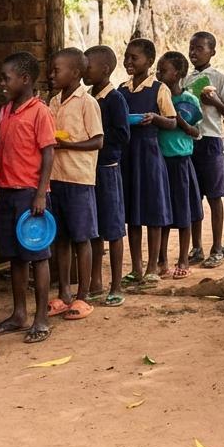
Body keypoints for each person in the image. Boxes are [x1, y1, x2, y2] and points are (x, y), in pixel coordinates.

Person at [0, 52, 58, 339]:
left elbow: (48, 153)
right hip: (7, 191)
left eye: (7, 78)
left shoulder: (39, 111)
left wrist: (41, 194)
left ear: (25, 79)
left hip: (30, 194)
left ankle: (41, 318)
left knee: (38, 257)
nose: (2, 83)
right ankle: (19, 314)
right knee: (16, 257)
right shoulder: (6, 110)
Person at [48, 48, 108, 307]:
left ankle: (83, 295)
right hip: (56, 177)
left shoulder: (87, 102)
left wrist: (67, 146)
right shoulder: (53, 102)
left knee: (81, 238)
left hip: (79, 179)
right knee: (61, 238)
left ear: (75, 73)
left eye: (56, 70)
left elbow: (98, 141)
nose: (51, 74)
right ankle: (64, 291)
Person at [119, 38, 176, 287]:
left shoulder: (159, 89)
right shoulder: (121, 90)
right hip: (128, 155)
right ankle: (136, 267)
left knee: (152, 210)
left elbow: (172, 121)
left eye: (135, 58)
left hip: (150, 154)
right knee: (133, 212)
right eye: (127, 57)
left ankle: (153, 266)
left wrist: (154, 118)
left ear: (149, 62)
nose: (129, 62)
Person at [184, 32, 224, 266]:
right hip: (189, 142)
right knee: (194, 197)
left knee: (215, 196)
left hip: (212, 140)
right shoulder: (185, 79)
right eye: (191, 48)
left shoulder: (219, 77)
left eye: (200, 48)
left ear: (212, 51)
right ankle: (197, 247)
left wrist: (214, 101)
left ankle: (216, 248)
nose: (194, 52)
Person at [83, 46, 131, 296]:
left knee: (112, 228)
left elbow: (123, 134)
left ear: (105, 69)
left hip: (108, 168)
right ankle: (95, 281)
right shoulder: (89, 97)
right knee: (95, 228)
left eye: (87, 66)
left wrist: (95, 137)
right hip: (89, 170)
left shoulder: (115, 99)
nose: (83, 70)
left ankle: (115, 284)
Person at [157, 51, 204, 279]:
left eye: (163, 70)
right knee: (163, 212)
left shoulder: (189, 100)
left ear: (177, 74)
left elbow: (196, 132)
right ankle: (162, 259)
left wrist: (178, 119)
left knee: (184, 212)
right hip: (160, 161)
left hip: (181, 161)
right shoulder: (157, 96)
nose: (158, 74)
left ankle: (183, 258)